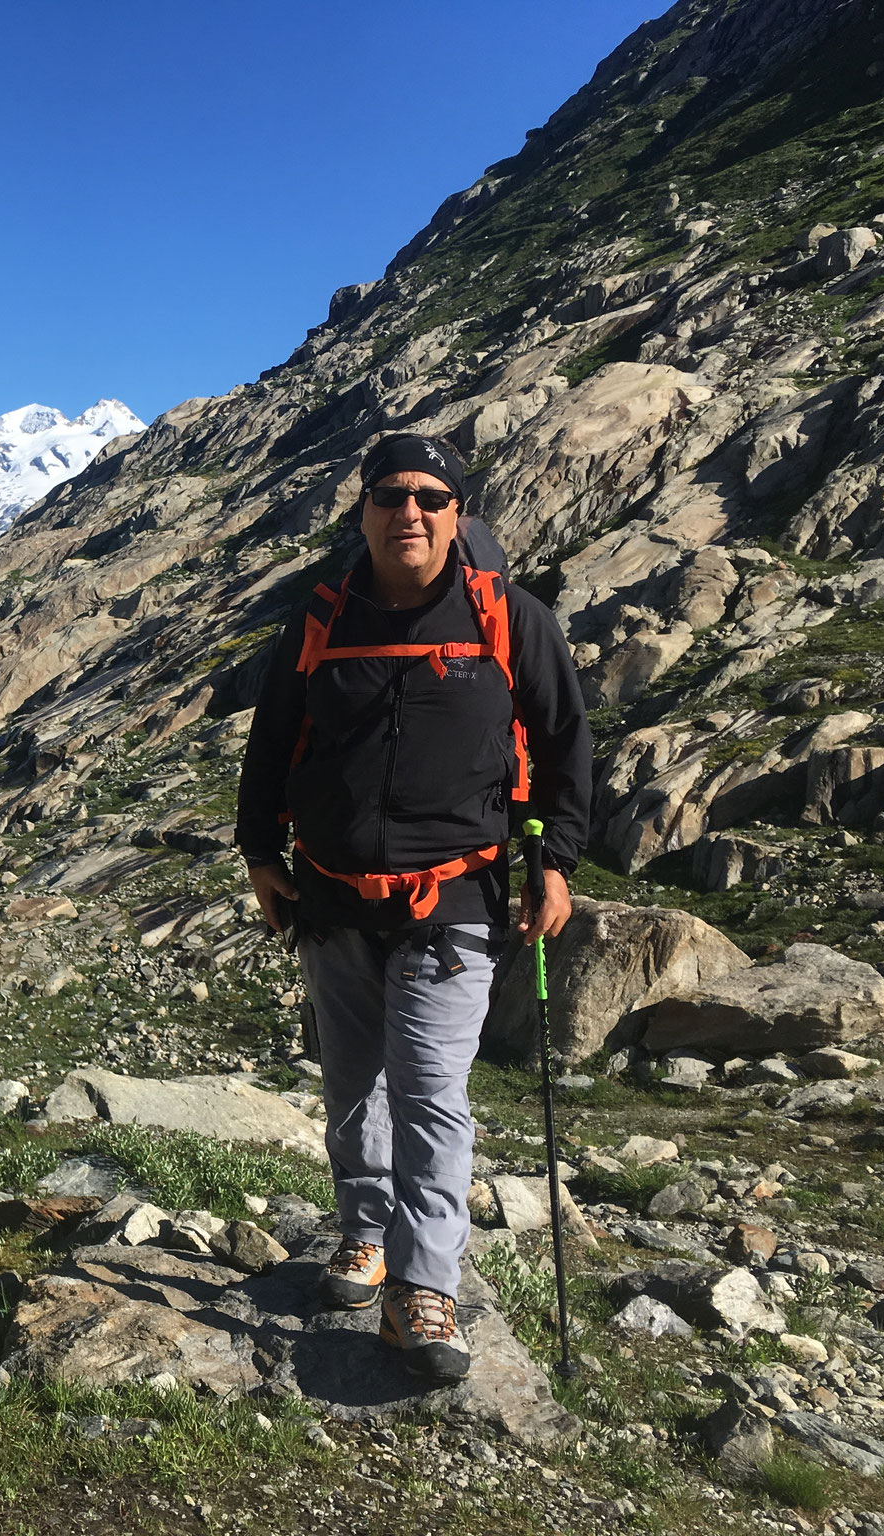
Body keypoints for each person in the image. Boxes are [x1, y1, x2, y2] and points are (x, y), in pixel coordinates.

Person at [235, 432, 591, 1382]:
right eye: (392, 495)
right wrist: (258, 853)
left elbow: (562, 743)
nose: (412, 512)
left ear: (457, 513)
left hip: (454, 901)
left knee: (430, 1094)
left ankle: (424, 1287)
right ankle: (364, 1235)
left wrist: (555, 861)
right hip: (331, 896)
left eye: (433, 497)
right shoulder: (321, 618)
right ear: (363, 511)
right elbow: (273, 740)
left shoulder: (510, 618)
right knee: (353, 1085)